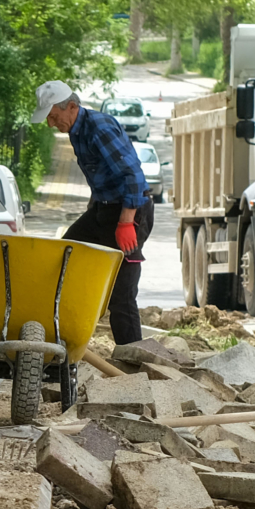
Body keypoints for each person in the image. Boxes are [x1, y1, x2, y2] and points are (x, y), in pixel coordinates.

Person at [32, 80, 150, 346]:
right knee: (64, 257)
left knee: (121, 293)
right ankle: (54, 336)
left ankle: (133, 358)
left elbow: (132, 175)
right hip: (102, 210)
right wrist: (93, 211)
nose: (51, 124)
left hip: (130, 212)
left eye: (53, 116)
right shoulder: (76, 130)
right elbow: (101, 179)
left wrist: (126, 222)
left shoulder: (100, 128)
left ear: (71, 106)